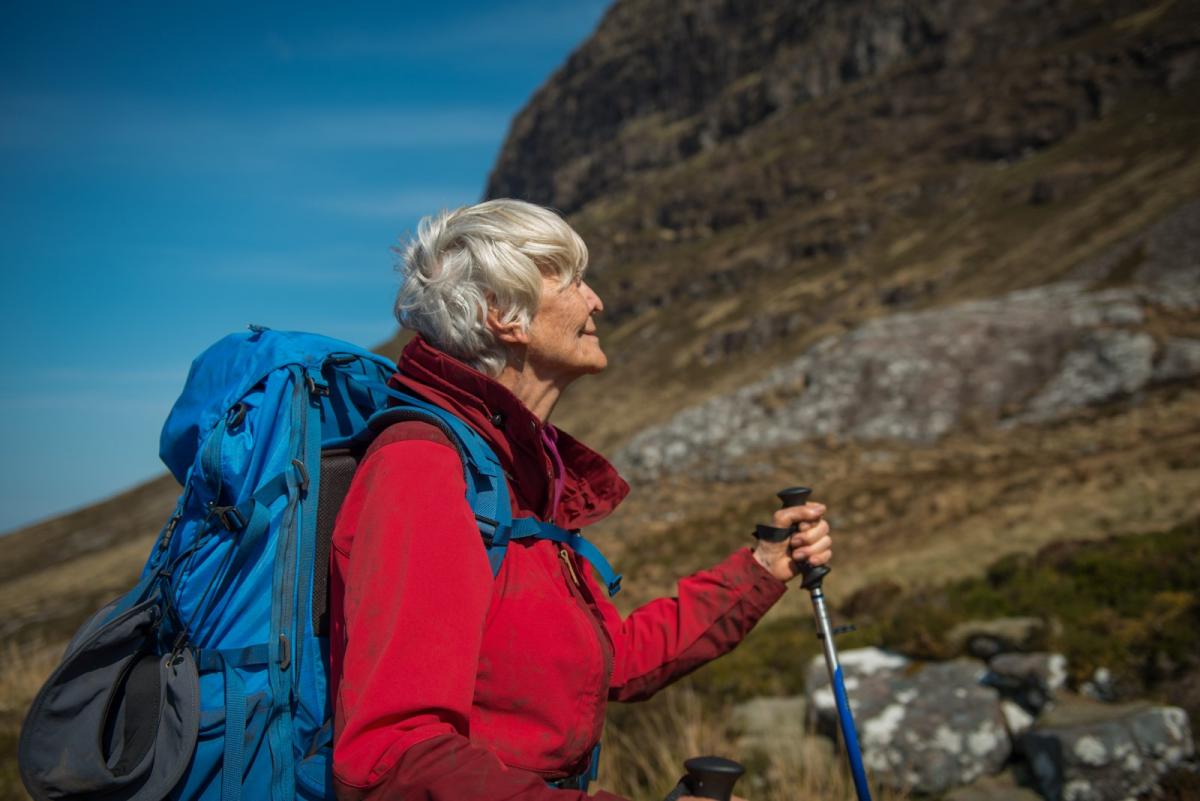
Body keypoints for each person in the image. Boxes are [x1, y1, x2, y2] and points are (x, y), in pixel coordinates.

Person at [328, 199, 833, 801]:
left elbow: (605, 664)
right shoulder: (423, 468)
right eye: (570, 280)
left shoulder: (511, 476)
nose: (596, 300)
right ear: (502, 314)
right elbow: (396, 753)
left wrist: (760, 573)